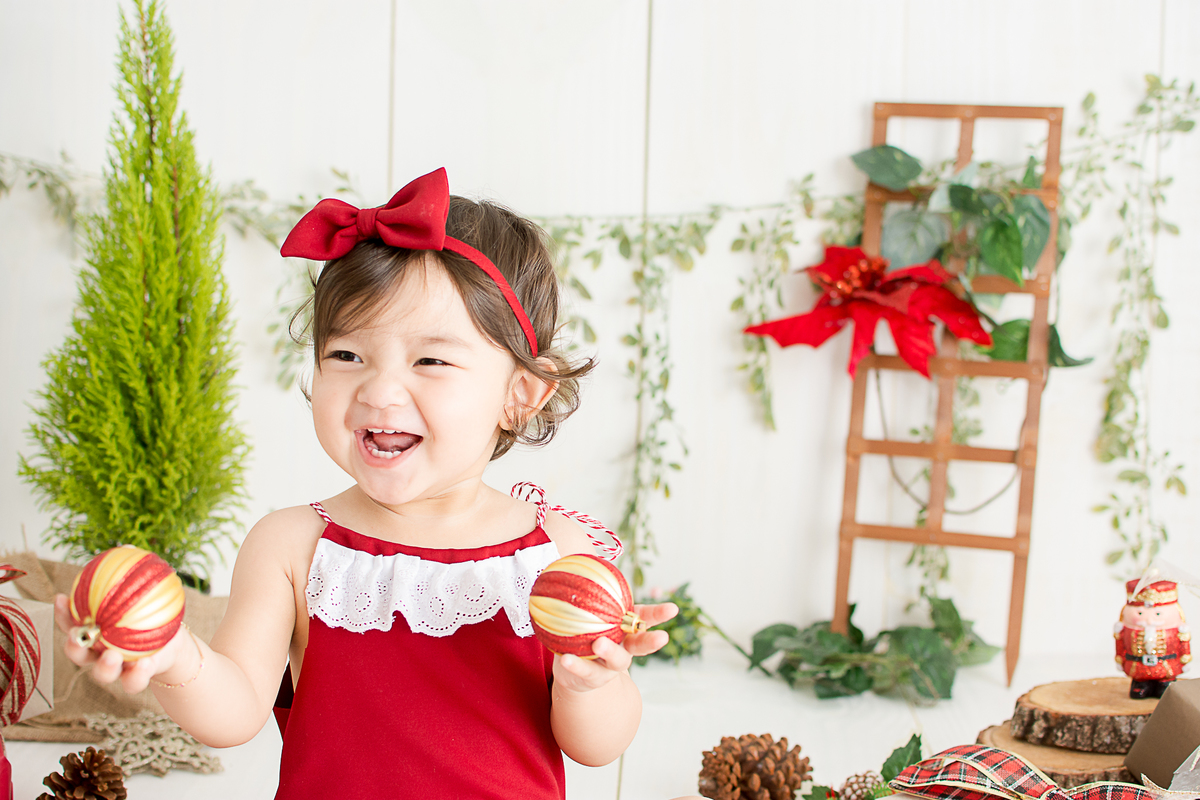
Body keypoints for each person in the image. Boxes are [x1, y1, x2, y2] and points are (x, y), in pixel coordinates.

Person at [55, 168, 678, 798]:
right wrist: (170, 656)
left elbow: (597, 748)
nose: (378, 390)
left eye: (431, 360)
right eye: (347, 355)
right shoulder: (291, 545)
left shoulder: (561, 556)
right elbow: (236, 711)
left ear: (520, 393)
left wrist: (589, 685)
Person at [1114, 577, 1192, 698]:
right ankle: (1141, 685)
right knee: (1139, 679)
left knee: (1166, 685)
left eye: (1157, 614)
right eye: (1140, 613)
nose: (1149, 620)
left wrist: (1185, 657)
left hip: (1166, 665)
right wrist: (1120, 658)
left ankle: (1165, 685)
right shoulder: (1125, 630)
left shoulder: (1178, 630)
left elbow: (1183, 644)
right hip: (1138, 666)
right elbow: (1120, 644)